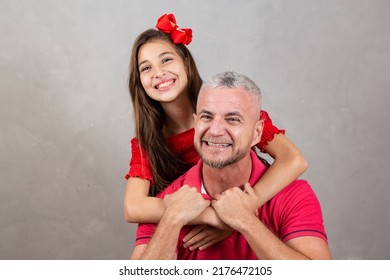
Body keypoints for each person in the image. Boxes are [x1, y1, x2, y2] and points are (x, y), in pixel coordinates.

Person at [124, 14, 308, 250]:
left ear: (186, 65)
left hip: (254, 222)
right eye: (146, 68)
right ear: (139, 82)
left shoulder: (233, 108)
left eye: (166, 60)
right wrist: (214, 216)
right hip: (193, 240)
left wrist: (239, 214)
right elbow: (134, 207)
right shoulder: (147, 142)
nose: (158, 72)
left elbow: (294, 160)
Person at [131, 71, 332, 260]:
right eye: (207, 117)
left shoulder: (293, 195)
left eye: (233, 119)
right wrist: (172, 219)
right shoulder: (168, 203)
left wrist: (245, 221)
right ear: (195, 124)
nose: (216, 130)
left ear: (257, 132)